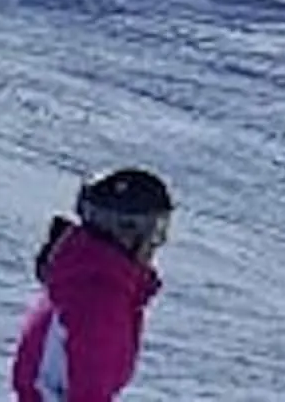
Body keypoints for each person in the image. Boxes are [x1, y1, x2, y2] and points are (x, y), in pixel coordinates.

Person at [12, 168, 172, 402]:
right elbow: (89, 392)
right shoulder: (96, 296)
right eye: (153, 229)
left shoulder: (90, 280)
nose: (156, 243)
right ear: (125, 229)